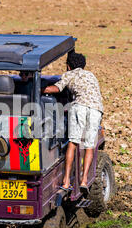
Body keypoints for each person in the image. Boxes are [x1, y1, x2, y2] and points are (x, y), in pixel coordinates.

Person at [42, 51, 103, 194]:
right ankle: (84, 180)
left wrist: (39, 88)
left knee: (73, 142)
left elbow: (56, 89)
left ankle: (66, 180)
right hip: (96, 109)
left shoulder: (69, 75)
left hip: (80, 107)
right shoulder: (91, 75)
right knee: (89, 146)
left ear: (68, 66)